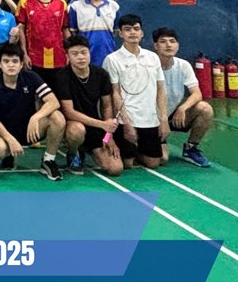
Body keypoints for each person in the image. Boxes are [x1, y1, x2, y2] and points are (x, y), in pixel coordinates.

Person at [0, 44, 65, 180]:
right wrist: (10, 140)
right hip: (3, 133)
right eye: (6, 61)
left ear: (21, 64)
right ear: (0, 64)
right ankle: (9, 155)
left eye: (15, 61)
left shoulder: (31, 77)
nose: (11, 65)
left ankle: (48, 161)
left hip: (29, 130)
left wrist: (35, 117)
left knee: (57, 117)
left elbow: (54, 102)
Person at [103, 15, 167, 170]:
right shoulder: (112, 59)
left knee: (154, 163)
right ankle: (130, 151)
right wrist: (127, 122)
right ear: (120, 33)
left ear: (142, 33)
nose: (132, 32)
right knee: (127, 164)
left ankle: (138, 150)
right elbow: (115, 92)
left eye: (136, 29)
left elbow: (160, 89)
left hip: (149, 119)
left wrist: (163, 118)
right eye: (127, 29)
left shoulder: (153, 57)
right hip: (126, 119)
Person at [54, 35, 123, 177]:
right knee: (77, 130)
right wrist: (102, 125)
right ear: (67, 56)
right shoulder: (62, 76)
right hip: (72, 124)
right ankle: (73, 153)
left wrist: (108, 135)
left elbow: (107, 106)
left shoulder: (101, 74)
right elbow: (69, 112)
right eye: (75, 54)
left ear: (89, 53)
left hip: (95, 126)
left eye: (83, 52)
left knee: (115, 168)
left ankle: (88, 149)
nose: (80, 57)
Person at [152, 28, 213, 168]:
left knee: (205, 109)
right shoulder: (149, 65)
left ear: (177, 45)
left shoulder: (183, 65)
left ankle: (191, 149)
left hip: (173, 114)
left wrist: (183, 108)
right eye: (163, 42)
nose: (168, 45)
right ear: (156, 46)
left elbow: (197, 93)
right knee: (162, 159)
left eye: (172, 41)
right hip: (152, 118)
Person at [16, 0, 69, 91]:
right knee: (36, 93)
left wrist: (68, 53)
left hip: (59, 57)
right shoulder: (24, 3)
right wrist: (24, 54)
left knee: (60, 92)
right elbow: (21, 30)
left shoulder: (61, 3)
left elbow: (65, 29)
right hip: (34, 58)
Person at [67, 0, 121, 67]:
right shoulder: (75, 7)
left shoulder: (113, 6)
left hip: (108, 53)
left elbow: (116, 31)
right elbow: (73, 33)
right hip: (84, 56)